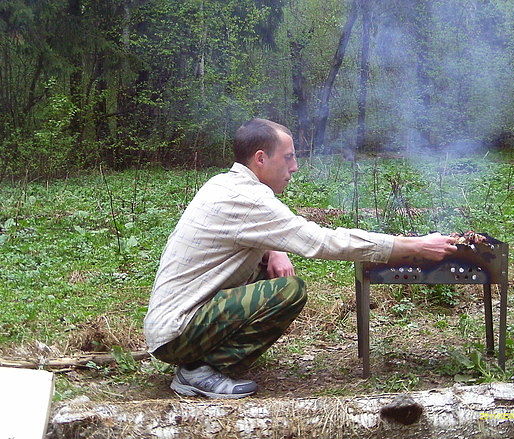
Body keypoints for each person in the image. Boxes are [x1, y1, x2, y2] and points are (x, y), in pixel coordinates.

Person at [144, 118, 457, 399]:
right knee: (288, 290)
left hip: (172, 322)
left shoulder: (225, 183)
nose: (294, 167)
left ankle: (199, 361)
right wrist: (412, 245)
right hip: (177, 330)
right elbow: (321, 241)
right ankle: (198, 370)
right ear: (261, 159)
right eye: (289, 157)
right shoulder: (249, 198)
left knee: (271, 271)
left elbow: (247, 229)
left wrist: (273, 249)